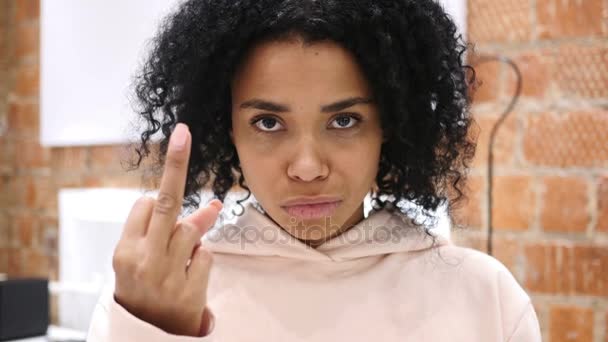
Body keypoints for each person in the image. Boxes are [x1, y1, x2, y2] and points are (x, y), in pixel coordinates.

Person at [87, 0, 542, 341]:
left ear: (389, 125)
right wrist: (156, 330)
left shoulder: (483, 299)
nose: (307, 168)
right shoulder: (158, 295)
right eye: (268, 123)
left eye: (344, 121)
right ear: (229, 132)